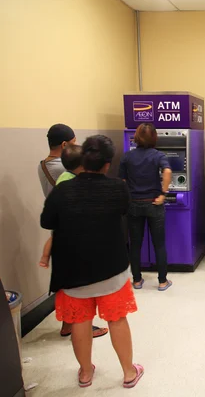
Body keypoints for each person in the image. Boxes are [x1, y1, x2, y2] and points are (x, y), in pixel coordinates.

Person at [41, 135, 144, 388]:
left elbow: (47, 222)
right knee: (117, 319)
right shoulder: (117, 188)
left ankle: (86, 373)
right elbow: (122, 211)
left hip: (73, 270)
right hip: (111, 269)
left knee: (80, 322)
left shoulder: (63, 190)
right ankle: (129, 373)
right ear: (107, 164)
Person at [37, 124, 107, 339]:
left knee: (65, 278)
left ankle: (69, 323)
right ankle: (80, 324)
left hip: (59, 224)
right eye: (75, 142)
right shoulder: (65, 169)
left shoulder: (43, 165)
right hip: (73, 227)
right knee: (79, 281)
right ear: (65, 145)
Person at [119, 123, 173, 291]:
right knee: (159, 244)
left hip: (134, 204)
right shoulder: (157, 155)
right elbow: (168, 172)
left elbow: (122, 181)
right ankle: (163, 281)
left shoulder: (127, 157)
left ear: (136, 138)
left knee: (135, 243)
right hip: (153, 204)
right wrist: (163, 193)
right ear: (154, 138)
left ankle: (136, 280)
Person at [38, 145, 84, 268]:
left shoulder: (64, 175)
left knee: (53, 237)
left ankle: (44, 257)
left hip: (60, 219)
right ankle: (45, 257)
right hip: (68, 221)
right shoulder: (72, 180)